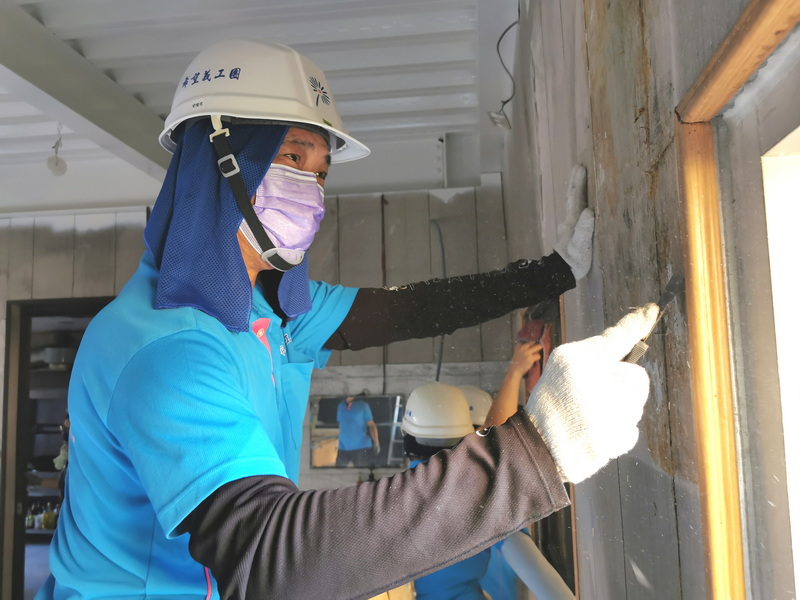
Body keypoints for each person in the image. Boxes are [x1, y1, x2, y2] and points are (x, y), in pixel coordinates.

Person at [38, 38, 658, 599]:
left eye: (320, 171)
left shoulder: (265, 308)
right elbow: (271, 563)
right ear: (220, 159)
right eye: (290, 156)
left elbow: (406, 309)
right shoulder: (166, 349)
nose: (311, 190)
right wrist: (537, 451)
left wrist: (553, 272)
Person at [336, 392, 380, 467]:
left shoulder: (363, 405)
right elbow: (341, 425)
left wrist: (376, 442)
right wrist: (376, 442)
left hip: (360, 446)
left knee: (360, 472)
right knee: (338, 471)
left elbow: (371, 425)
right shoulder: (341, 406)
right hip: (343, 446)